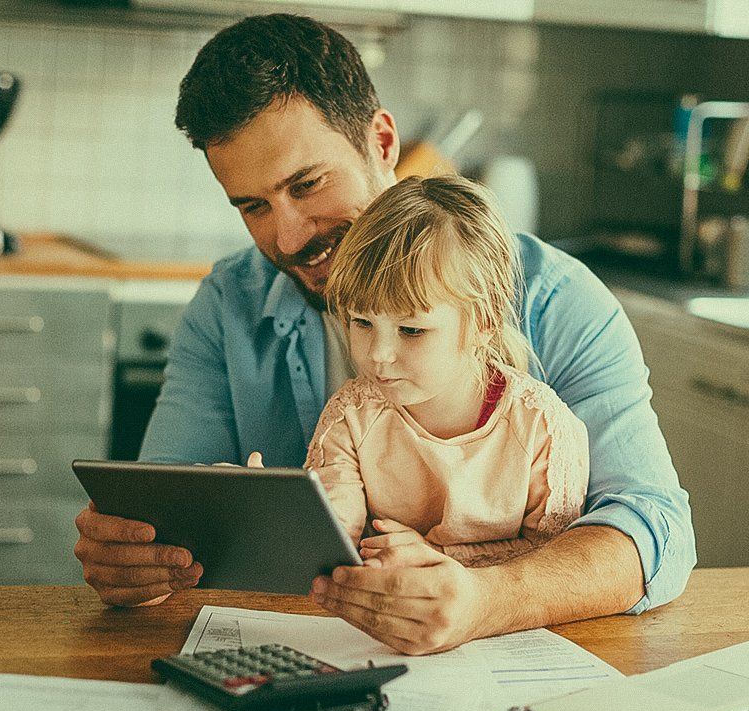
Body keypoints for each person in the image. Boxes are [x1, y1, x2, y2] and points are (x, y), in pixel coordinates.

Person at [74, 13, 695, 654]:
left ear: (382, 141)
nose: (286, 239)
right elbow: (167, 495)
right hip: (300, 664)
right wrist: (134, 558)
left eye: (307, 184)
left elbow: (654, 530)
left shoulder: (556, 301)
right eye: (253, 206)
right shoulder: (231, 303)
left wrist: (485, 600)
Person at [305, 175, 589, 575]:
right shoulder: (351, 416)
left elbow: (551, 563)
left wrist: (434, 558)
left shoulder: (540, 427)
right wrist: (286, 513)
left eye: (411, 330)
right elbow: (336, 528)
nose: (378, 355)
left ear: (484, 322)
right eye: (361, 322)